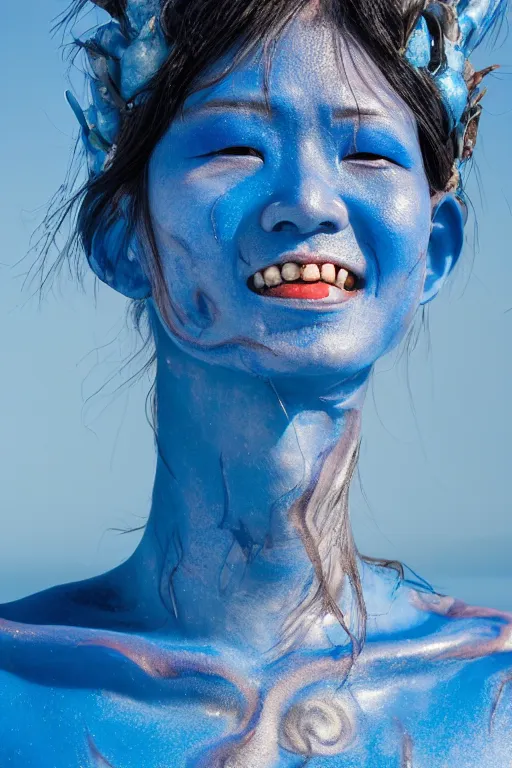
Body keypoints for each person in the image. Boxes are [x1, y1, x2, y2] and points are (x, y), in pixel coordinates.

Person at [0, 0, 510, 765]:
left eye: (368, 152)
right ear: (121, 239)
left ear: (433, 251)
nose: (307, 201)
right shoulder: (18, 688)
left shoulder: (493, 700)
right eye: (236, 145)